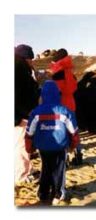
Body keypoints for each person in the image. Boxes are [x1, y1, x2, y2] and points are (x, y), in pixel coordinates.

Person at [25, 80, 79, 205]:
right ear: (58, 95)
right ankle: (57, 194)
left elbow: (29, 133)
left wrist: (29, 147)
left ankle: (43, 194)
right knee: (59, 170)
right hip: (60, 147)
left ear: (42, 95)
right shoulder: (65, 111)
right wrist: (73, 145)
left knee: (46, 168)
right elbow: (73, 131)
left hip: (43, 147)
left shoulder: (36, 112)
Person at [46, 49, 82, 163]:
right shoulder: (67, 71)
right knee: (73, 131)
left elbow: (54, 90)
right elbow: (72, 88)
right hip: (69, 105)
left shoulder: (55, 71)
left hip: (58, 107)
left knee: (61, 132)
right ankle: (77, 154)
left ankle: (64, 157)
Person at [15, 44, 40, 185]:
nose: (32, 61)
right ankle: (21, 176)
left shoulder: (17, 67)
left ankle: (26, 169)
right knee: (22, 146)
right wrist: (24, 113)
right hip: (20, 116)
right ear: (25, 57)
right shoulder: (19, 70)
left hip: (19, 114)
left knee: (20, 146)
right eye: (31, 58)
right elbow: (16, 95)